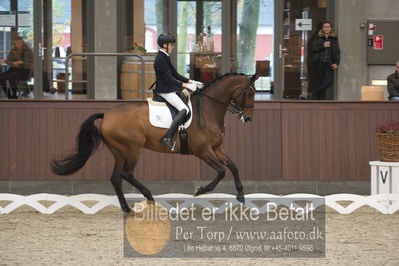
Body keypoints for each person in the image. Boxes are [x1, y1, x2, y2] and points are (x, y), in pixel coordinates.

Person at [154, 33, 203, 150]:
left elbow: (175, 74)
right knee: (184, 109)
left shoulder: (165, 56)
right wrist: (185, 85)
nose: (173, 47)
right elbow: (168, 79)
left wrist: (191, 81)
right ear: (164, 45)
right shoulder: (160, 59)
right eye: (171, 45)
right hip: (165, 91)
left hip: (169, 88)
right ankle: (167, 138)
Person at [307, 21, 340, 100]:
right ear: (322, 28)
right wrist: (322, 45)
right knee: (318, 82)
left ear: (331, 28)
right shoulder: (317, 37)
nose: (327, 28)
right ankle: (317, 99)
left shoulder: (334, 38)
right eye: (325, 27)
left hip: (329, 63)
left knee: (329, 81)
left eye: (328, 26)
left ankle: (313, 94)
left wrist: (336, 62)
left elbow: (337, 51)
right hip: (318, 62)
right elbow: (312, 49)